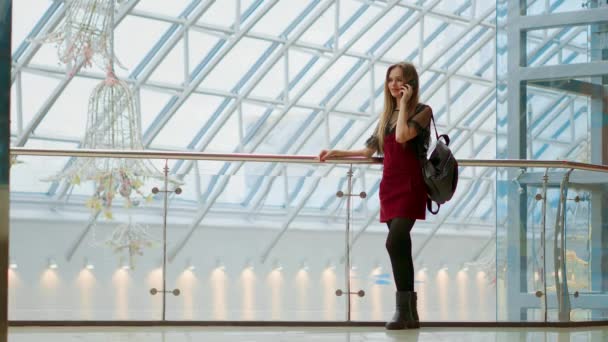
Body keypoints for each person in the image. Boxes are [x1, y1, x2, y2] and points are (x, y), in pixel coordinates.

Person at [318, 62, 432, 330]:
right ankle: (409, 315)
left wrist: (404, 105)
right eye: (391, 80)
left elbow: (404, 136)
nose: (394, 84)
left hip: (411, 185)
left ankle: (402, 311)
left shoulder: (422, 111)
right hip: (390, 187)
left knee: (394, 242)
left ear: (410, 84)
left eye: (400, 80)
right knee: (401, 247)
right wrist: (337, 152)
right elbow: (369, 151)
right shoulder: (387, 116)